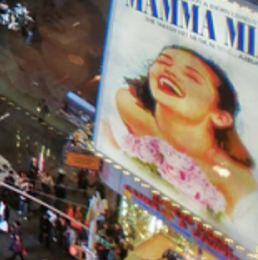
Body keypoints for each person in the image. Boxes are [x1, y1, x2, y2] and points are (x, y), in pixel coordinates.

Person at [102, 45, 256, 216]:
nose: (170, 72)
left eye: (191, 76)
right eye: (163, 62)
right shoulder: (126, 103)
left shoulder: (236, 182)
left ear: (221, 117)